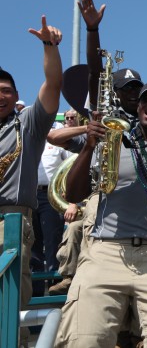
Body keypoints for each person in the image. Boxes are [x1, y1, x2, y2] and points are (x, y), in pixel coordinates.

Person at [55, 81, 147, 347]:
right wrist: (88, 146)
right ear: (138, 107)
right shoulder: (112, 141)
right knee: (84, 339)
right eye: (146, 100)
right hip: (106, 251)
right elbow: (73, 195)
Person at [0, 16, 63, 347]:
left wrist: (49, 47)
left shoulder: (27, 124)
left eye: (6, 91)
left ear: (16, 96)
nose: (1, 96)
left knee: (11, 304)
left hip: (11, 221)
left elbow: (53, 85)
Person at [31, 125, 72, 295]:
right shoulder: (27, 139)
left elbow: (70, 166)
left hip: (51, 195)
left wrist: (70, 200)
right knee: (33, 243)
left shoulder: (57, 138)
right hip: (31, 195)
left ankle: (56, 285)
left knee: (52, 241)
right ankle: (36, 289)